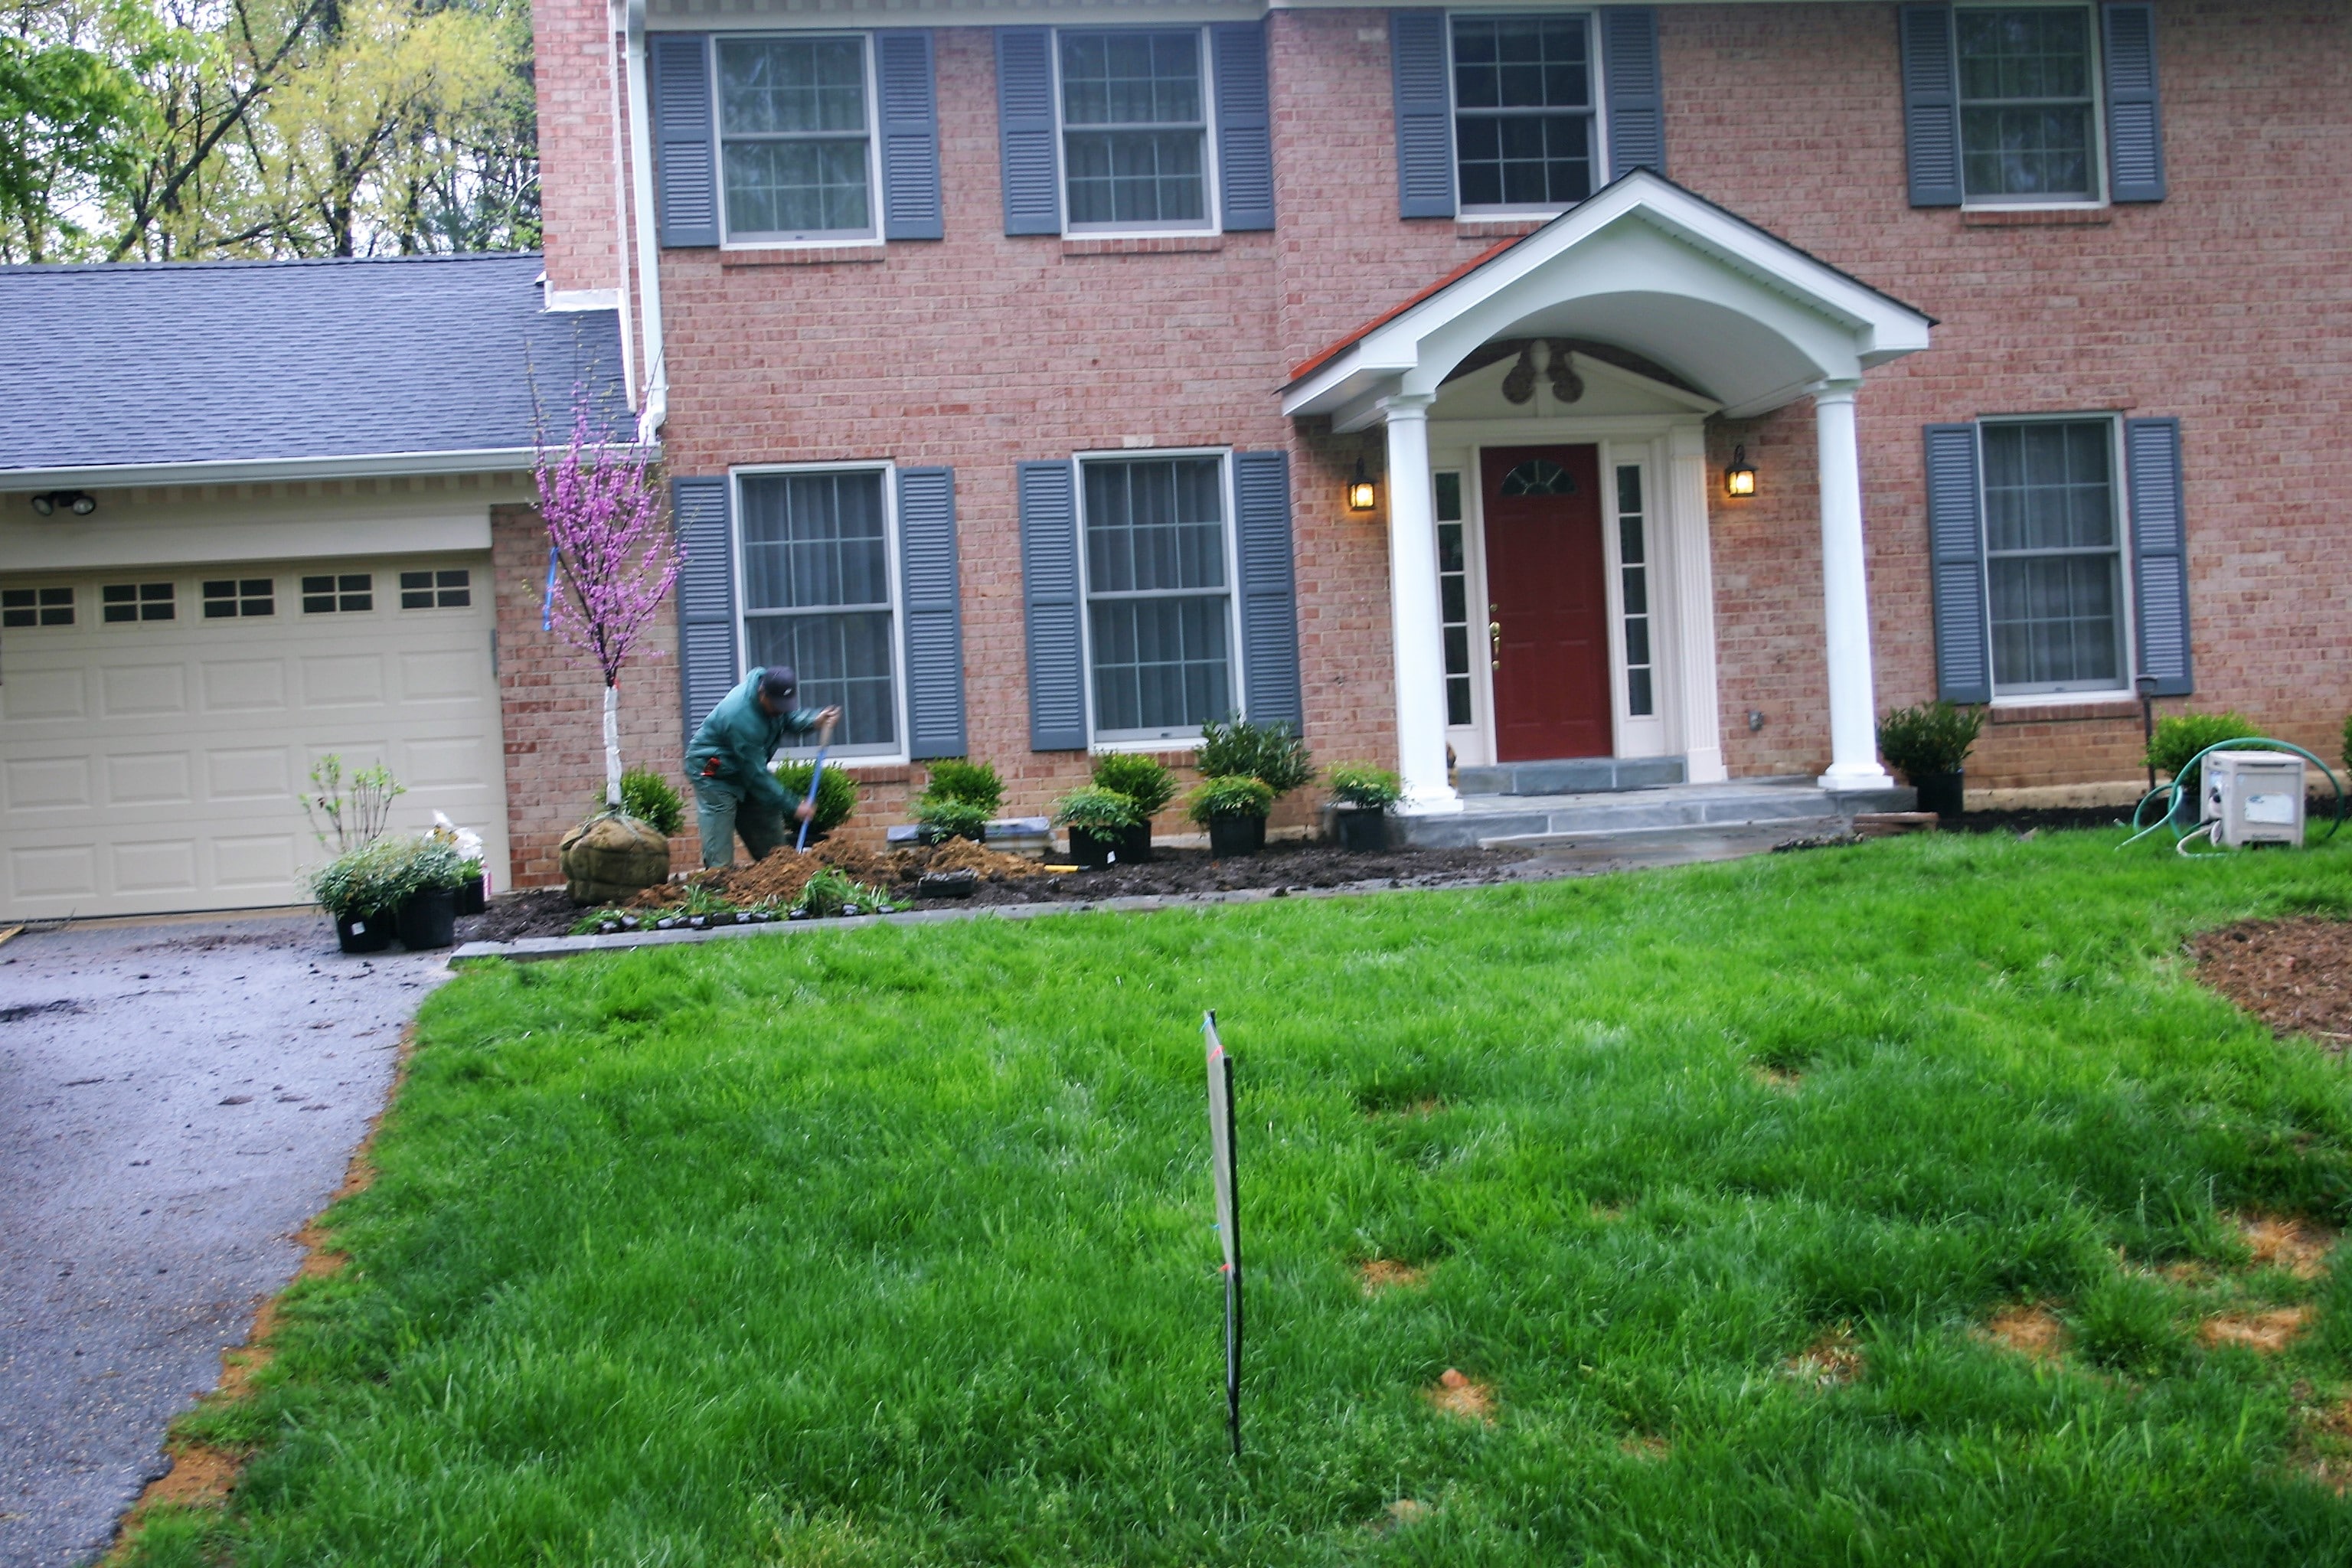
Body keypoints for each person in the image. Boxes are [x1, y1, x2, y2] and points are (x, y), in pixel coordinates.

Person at [684, 666, 839, 869]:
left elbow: (787, 717)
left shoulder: (774, 698)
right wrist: (794, 805)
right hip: (714, 772)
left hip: (745, 768)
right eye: (776, 705)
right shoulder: (740, 715)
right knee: (720, 859)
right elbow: (756, 775)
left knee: (775, 852)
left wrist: (813, 720)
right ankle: (718, 889)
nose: (779, 710)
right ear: (762, 693)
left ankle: (781, 886)